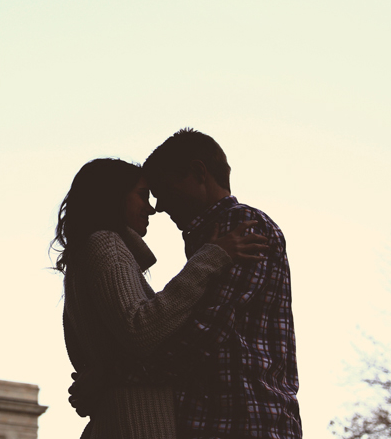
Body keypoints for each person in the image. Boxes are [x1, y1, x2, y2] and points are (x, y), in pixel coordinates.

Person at [53, 158, 268, 439]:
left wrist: (104, 376)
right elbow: (140, 329)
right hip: (136, 423)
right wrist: (211, 258)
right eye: (142, 195)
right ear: (113, 196)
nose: (152, 208)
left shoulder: (90, 254)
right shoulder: (105, 244)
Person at [142, 128, 301, 439]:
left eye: (163, 189)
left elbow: (204, 332)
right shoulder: (213, 235)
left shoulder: (240, 225)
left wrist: (113, 378)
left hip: (241, 420)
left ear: (199, 172)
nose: (158, 206)